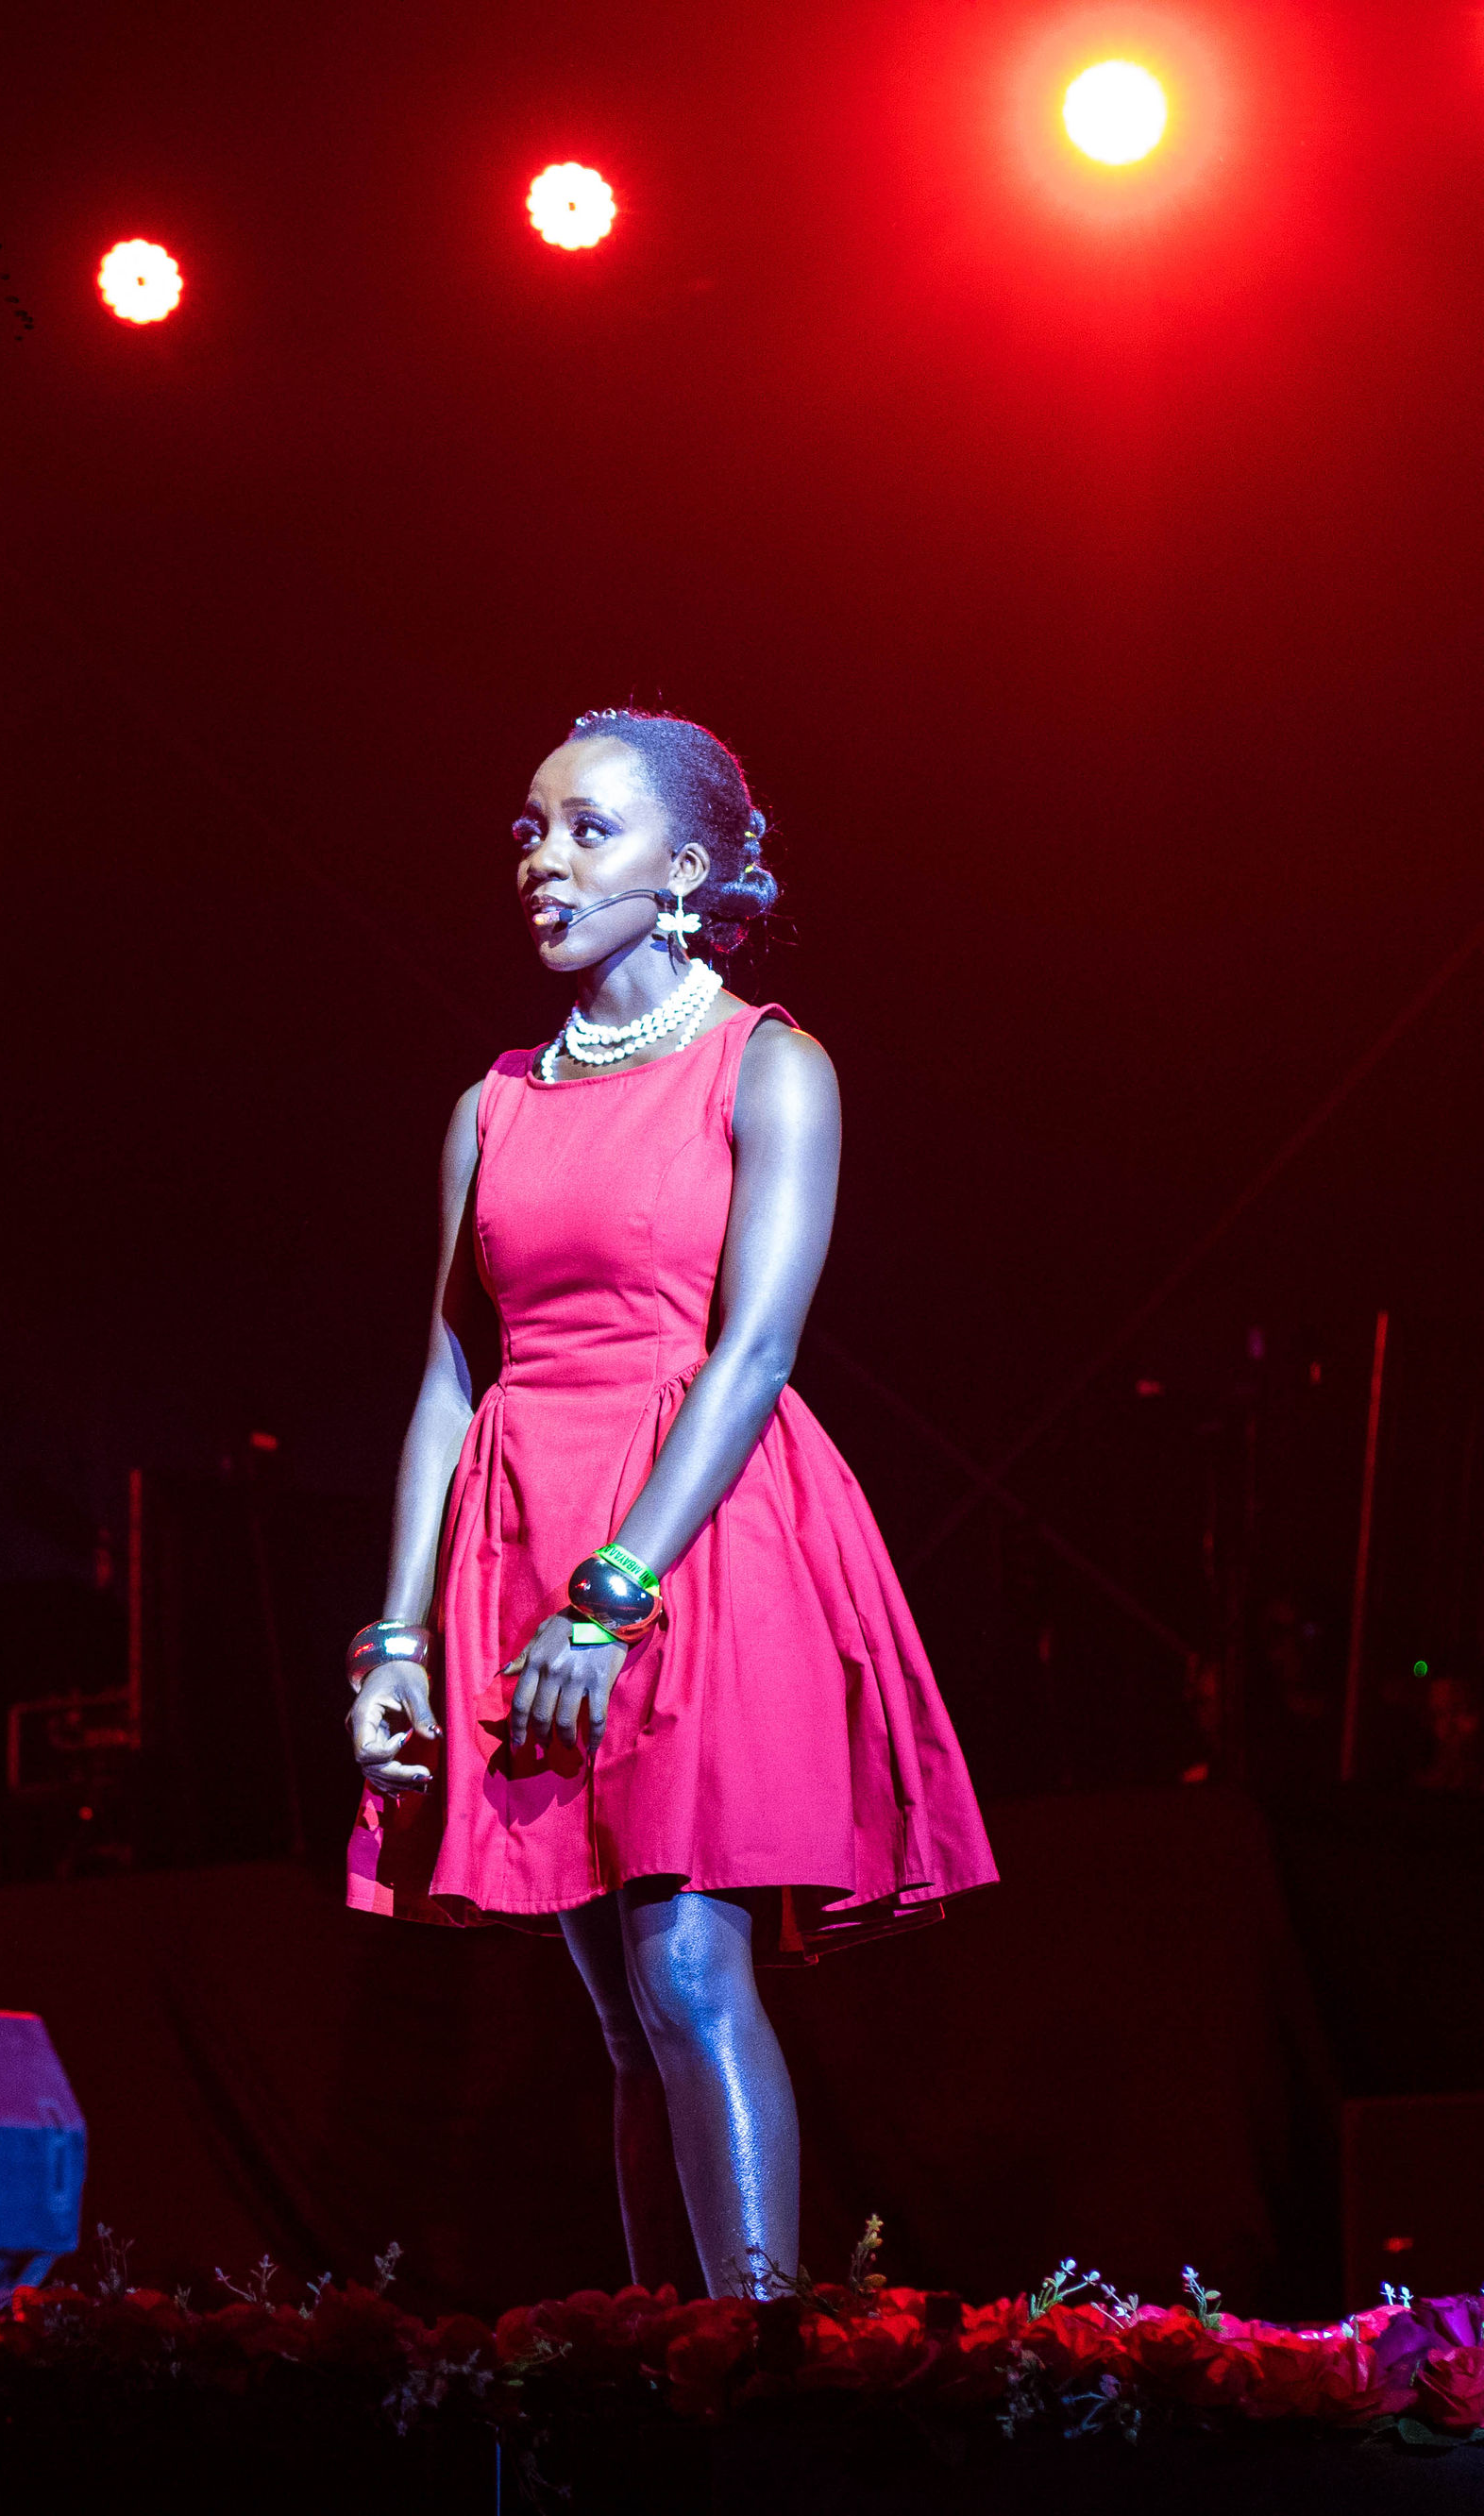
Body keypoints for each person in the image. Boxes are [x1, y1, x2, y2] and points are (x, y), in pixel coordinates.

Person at [346, 709, 996, 2302]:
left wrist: (612, 1592)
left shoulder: (770, 1065)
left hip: (687, 1535)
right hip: (525, 1531)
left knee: (689, 1967)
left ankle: (760, 2363)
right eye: (531, 830)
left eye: (589, 830)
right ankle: (665, 2369)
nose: (543, 860)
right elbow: (446, 1380)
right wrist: (397, 1644)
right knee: (625, 2015)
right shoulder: (493, 1104)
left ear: (688, 868)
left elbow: (757, 1349)